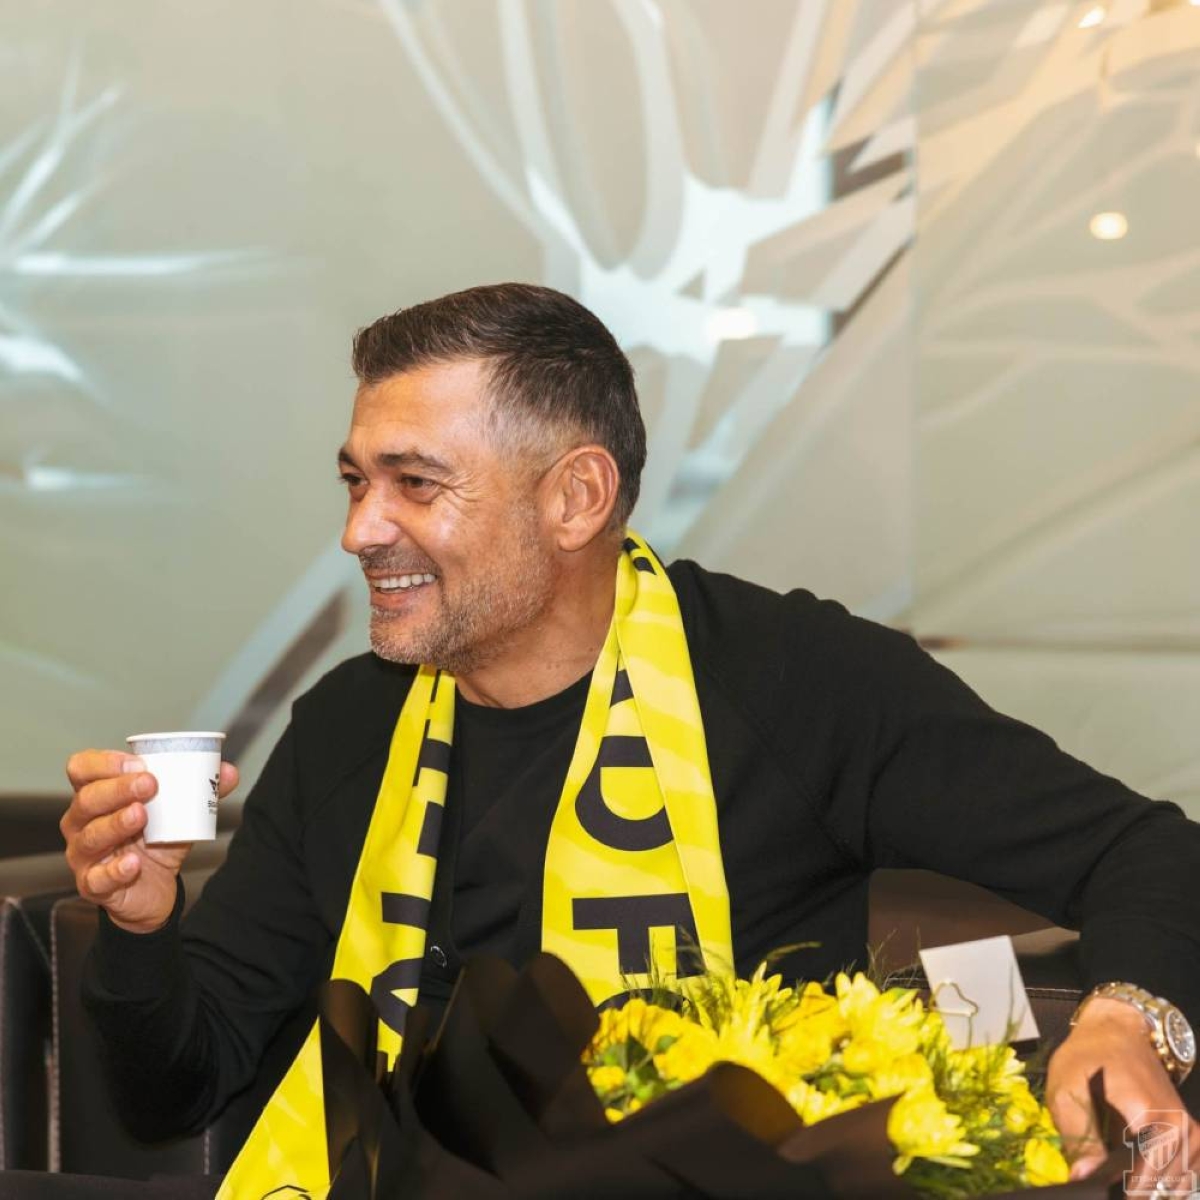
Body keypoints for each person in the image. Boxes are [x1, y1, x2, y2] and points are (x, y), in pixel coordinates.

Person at [63, 283, 1200, 1193]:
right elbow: (175, 1094)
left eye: (416, 484)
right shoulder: (350, 727)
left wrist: (1126, 1018)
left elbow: (1145, 851)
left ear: (576, 498)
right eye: (358, 482)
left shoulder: (794, 682)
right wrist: (140, 925)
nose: (362, 529)